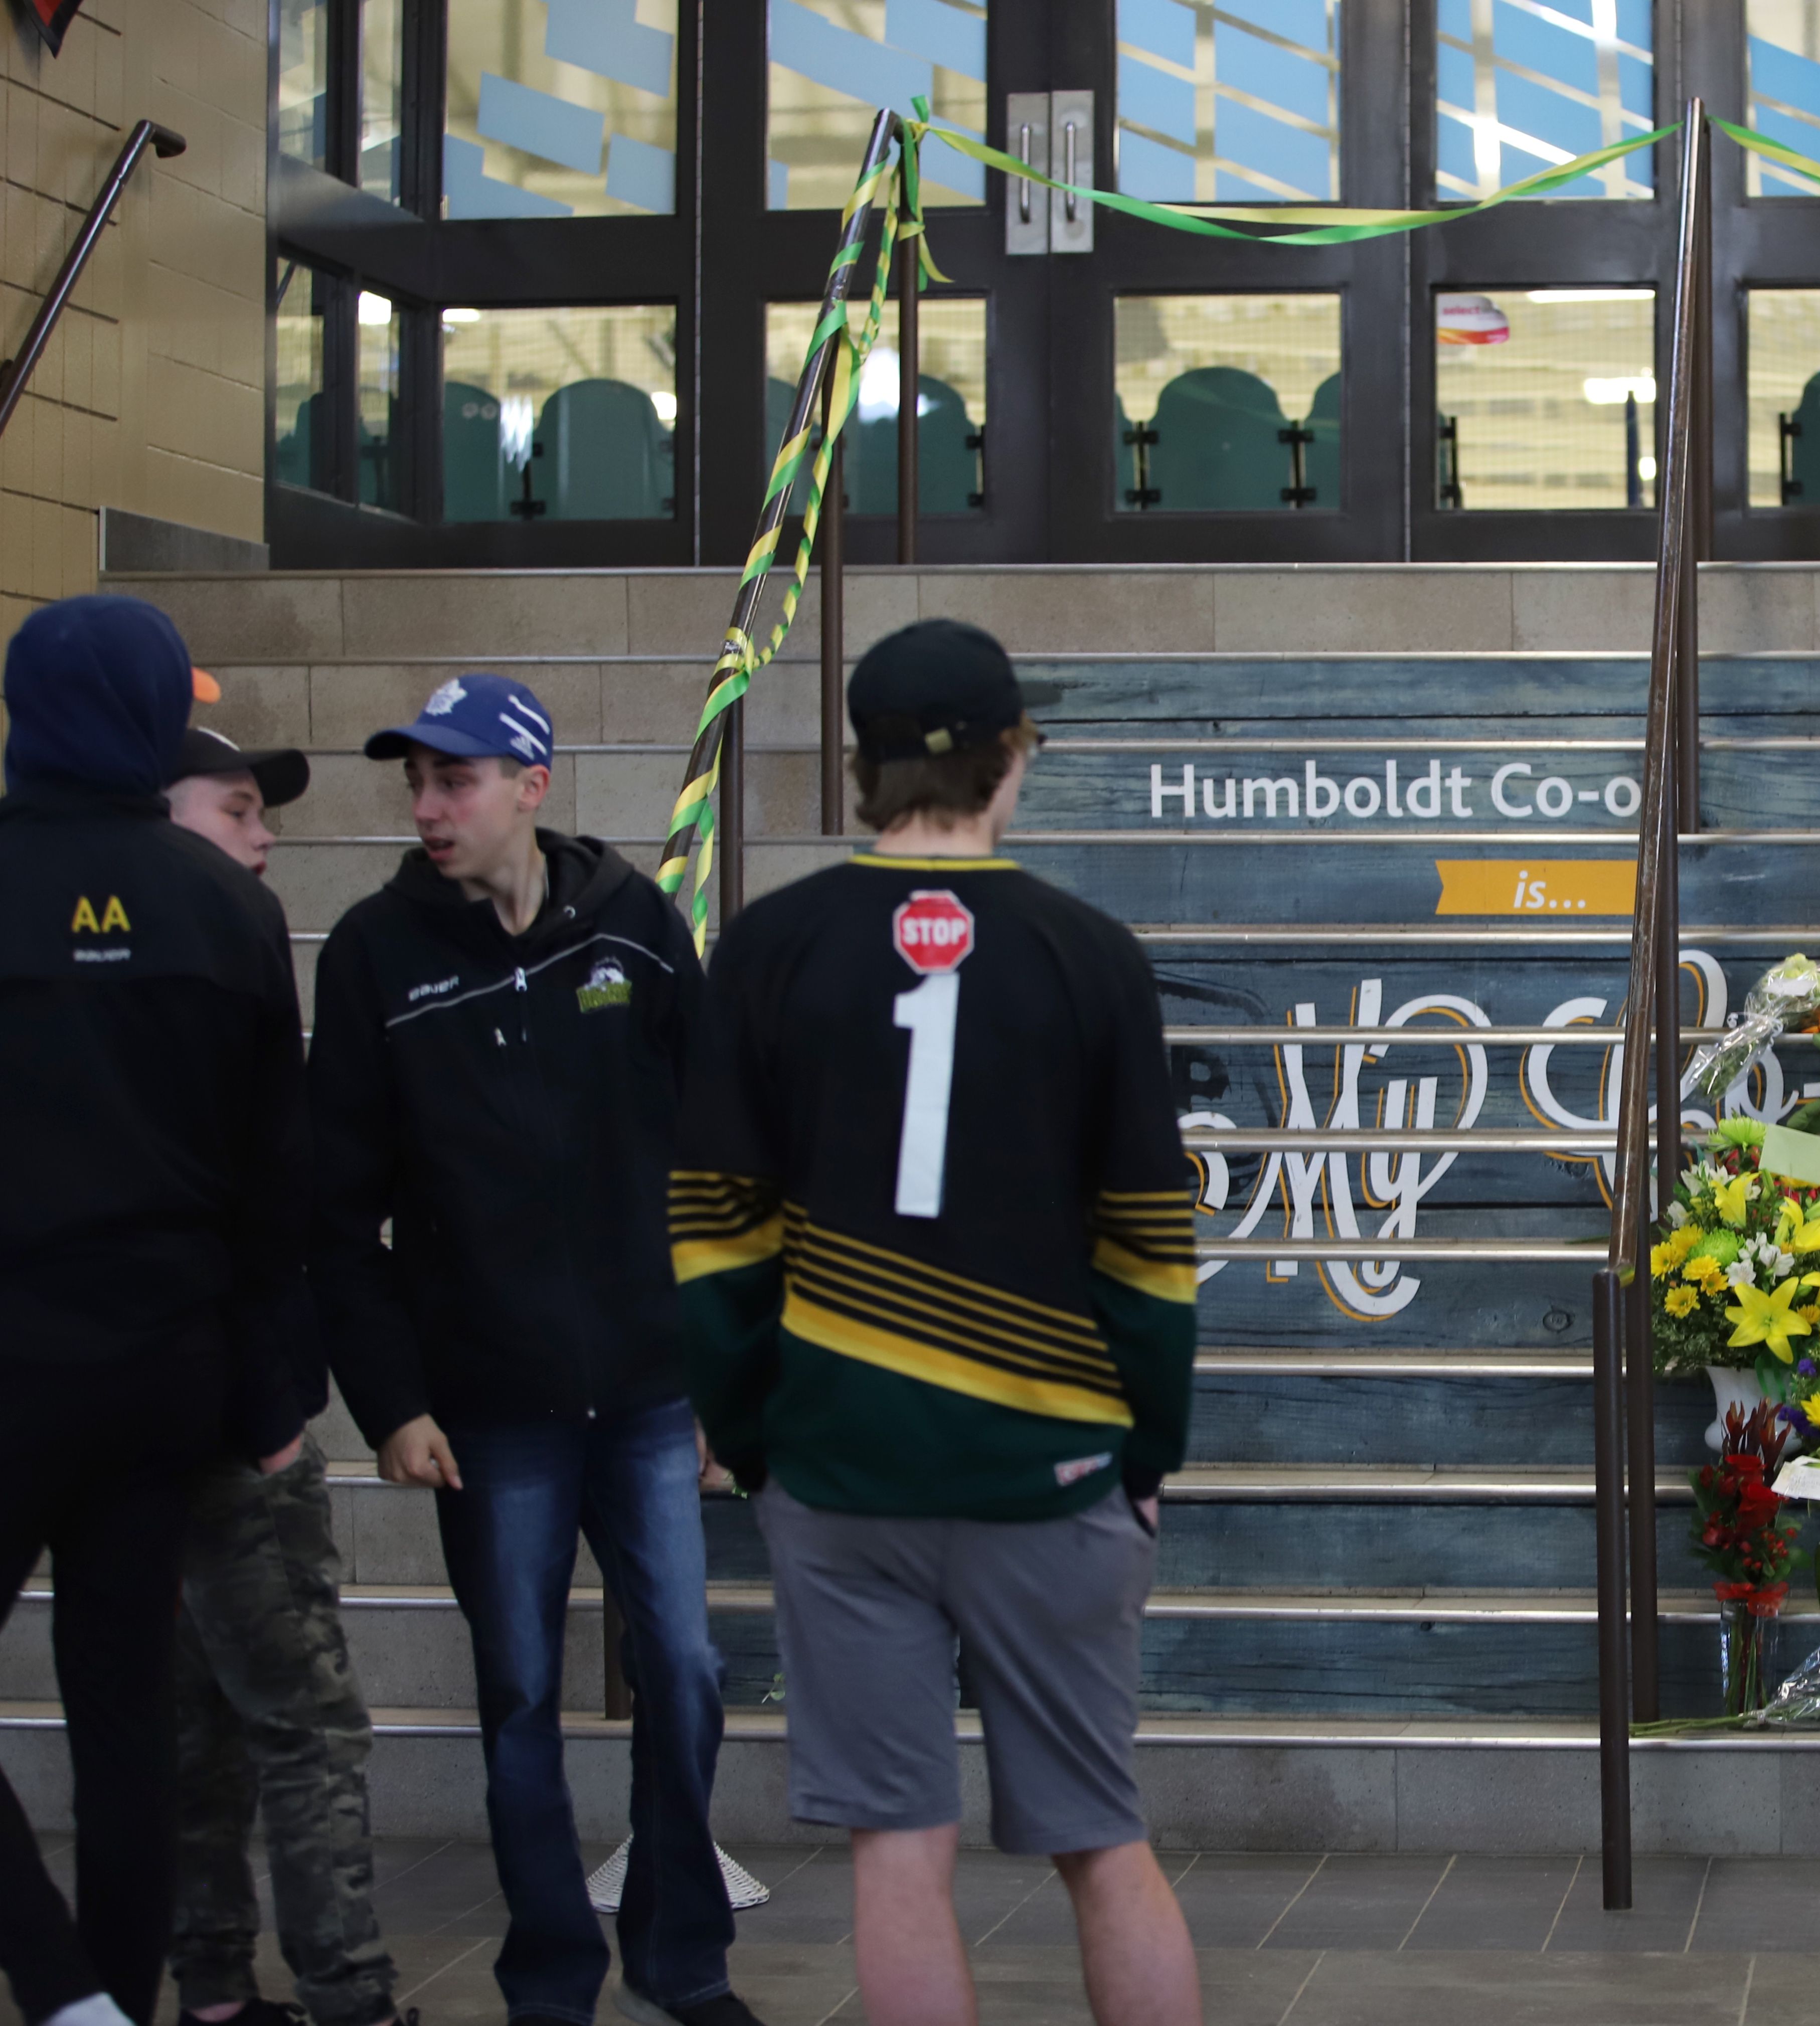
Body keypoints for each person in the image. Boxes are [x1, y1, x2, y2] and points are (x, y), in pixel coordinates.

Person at [673, 619, 1203, 2026]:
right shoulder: (1094, 957)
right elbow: (1151, 1250)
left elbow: (715, 1239)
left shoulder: (771, 949)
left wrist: (751, 1433)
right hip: (1050, 1471)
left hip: (842, 1470)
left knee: (896, 1853)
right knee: (1102, 1836)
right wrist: (1144, 1456)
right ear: (1013, 756)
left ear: (861, 767)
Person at [307, 673, 760, 2026]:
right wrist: (389, 1403)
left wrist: (729, 1383)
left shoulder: (633, 926)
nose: (428, 807)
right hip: (486, 1406)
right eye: (416, 784)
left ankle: (682, 1961)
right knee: (517, 1699)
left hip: (644, 1391)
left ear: (530, 788)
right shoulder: (375, 952)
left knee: (682, 1672)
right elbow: (336, 1209)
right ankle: (549, 1979)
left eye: (455, 781)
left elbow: (724, 1156)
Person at [0, 598, 316, 2026]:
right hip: (168, 1371)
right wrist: (274, 1391)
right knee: (123, 1707)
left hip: (12, 1358)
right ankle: (116, 1996)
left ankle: (62, 1990)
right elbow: (274, 1180)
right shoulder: (230, 909)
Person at [158, 727, 413, 2026]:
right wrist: (268, 1416)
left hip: (155, 1418)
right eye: (240, 810)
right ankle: (347, 1997)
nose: (266, 841)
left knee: (196, 1734)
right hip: (226, 1419)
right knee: (303, 1728)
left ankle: (211, 1987)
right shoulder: (206, 968)